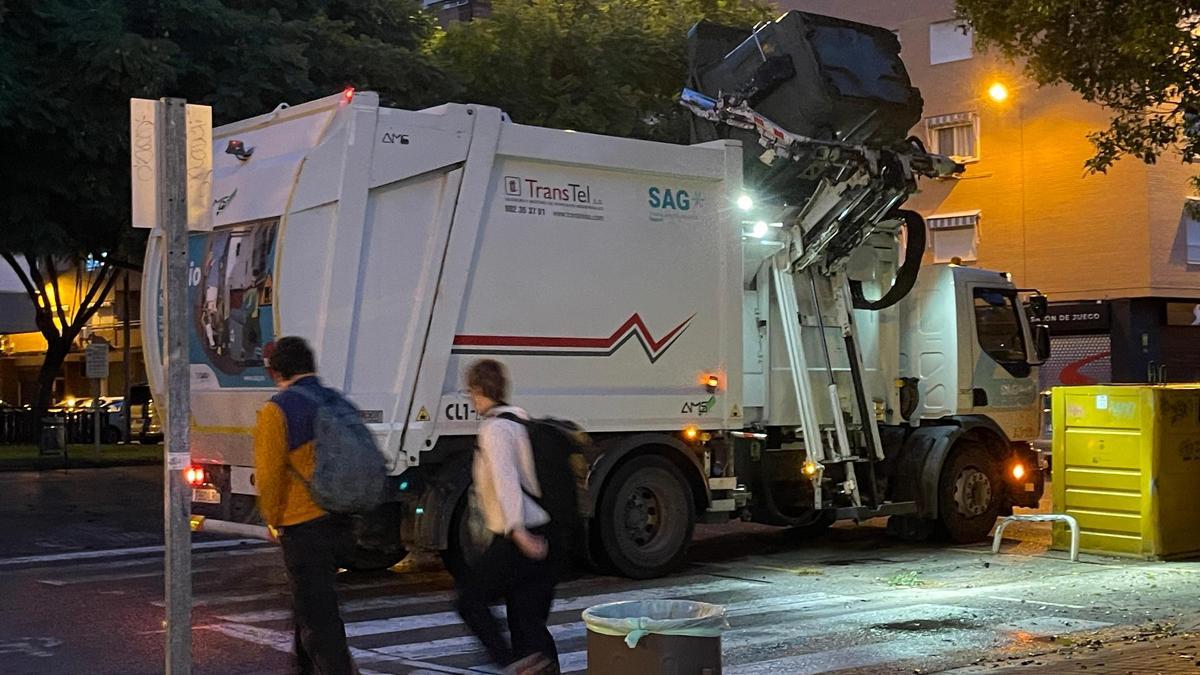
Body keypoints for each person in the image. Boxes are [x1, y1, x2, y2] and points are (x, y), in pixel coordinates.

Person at [254, 336, 355, 675]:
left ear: (275, 372)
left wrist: (271, 518)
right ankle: (303, 668)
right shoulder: (335, 400)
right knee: (311, 603)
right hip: (340, 516)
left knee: (319, 615)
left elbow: (269, 476)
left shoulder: (277, 410)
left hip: (302, 522)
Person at [455, 359, 560, 674]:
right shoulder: (520, 420)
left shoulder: (495, 429)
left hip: (520, 535)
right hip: (544, 529)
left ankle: (509, 663)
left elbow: (506, 482)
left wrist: (517, 532)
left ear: (476, 391)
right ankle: (536, 665)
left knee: (469, 600)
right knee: (527, 622)